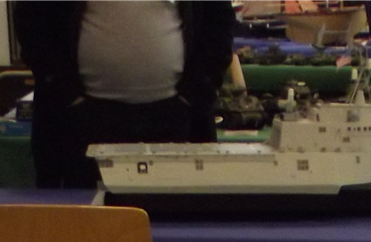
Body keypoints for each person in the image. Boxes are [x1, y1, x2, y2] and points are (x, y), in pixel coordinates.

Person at [16, 0, 237, 189]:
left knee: (177, 218)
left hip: (177, 117)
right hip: (82, 121)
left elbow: (219, 21)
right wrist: (66, 93)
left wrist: (195, 92)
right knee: (84, 220)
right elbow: (31, 20)